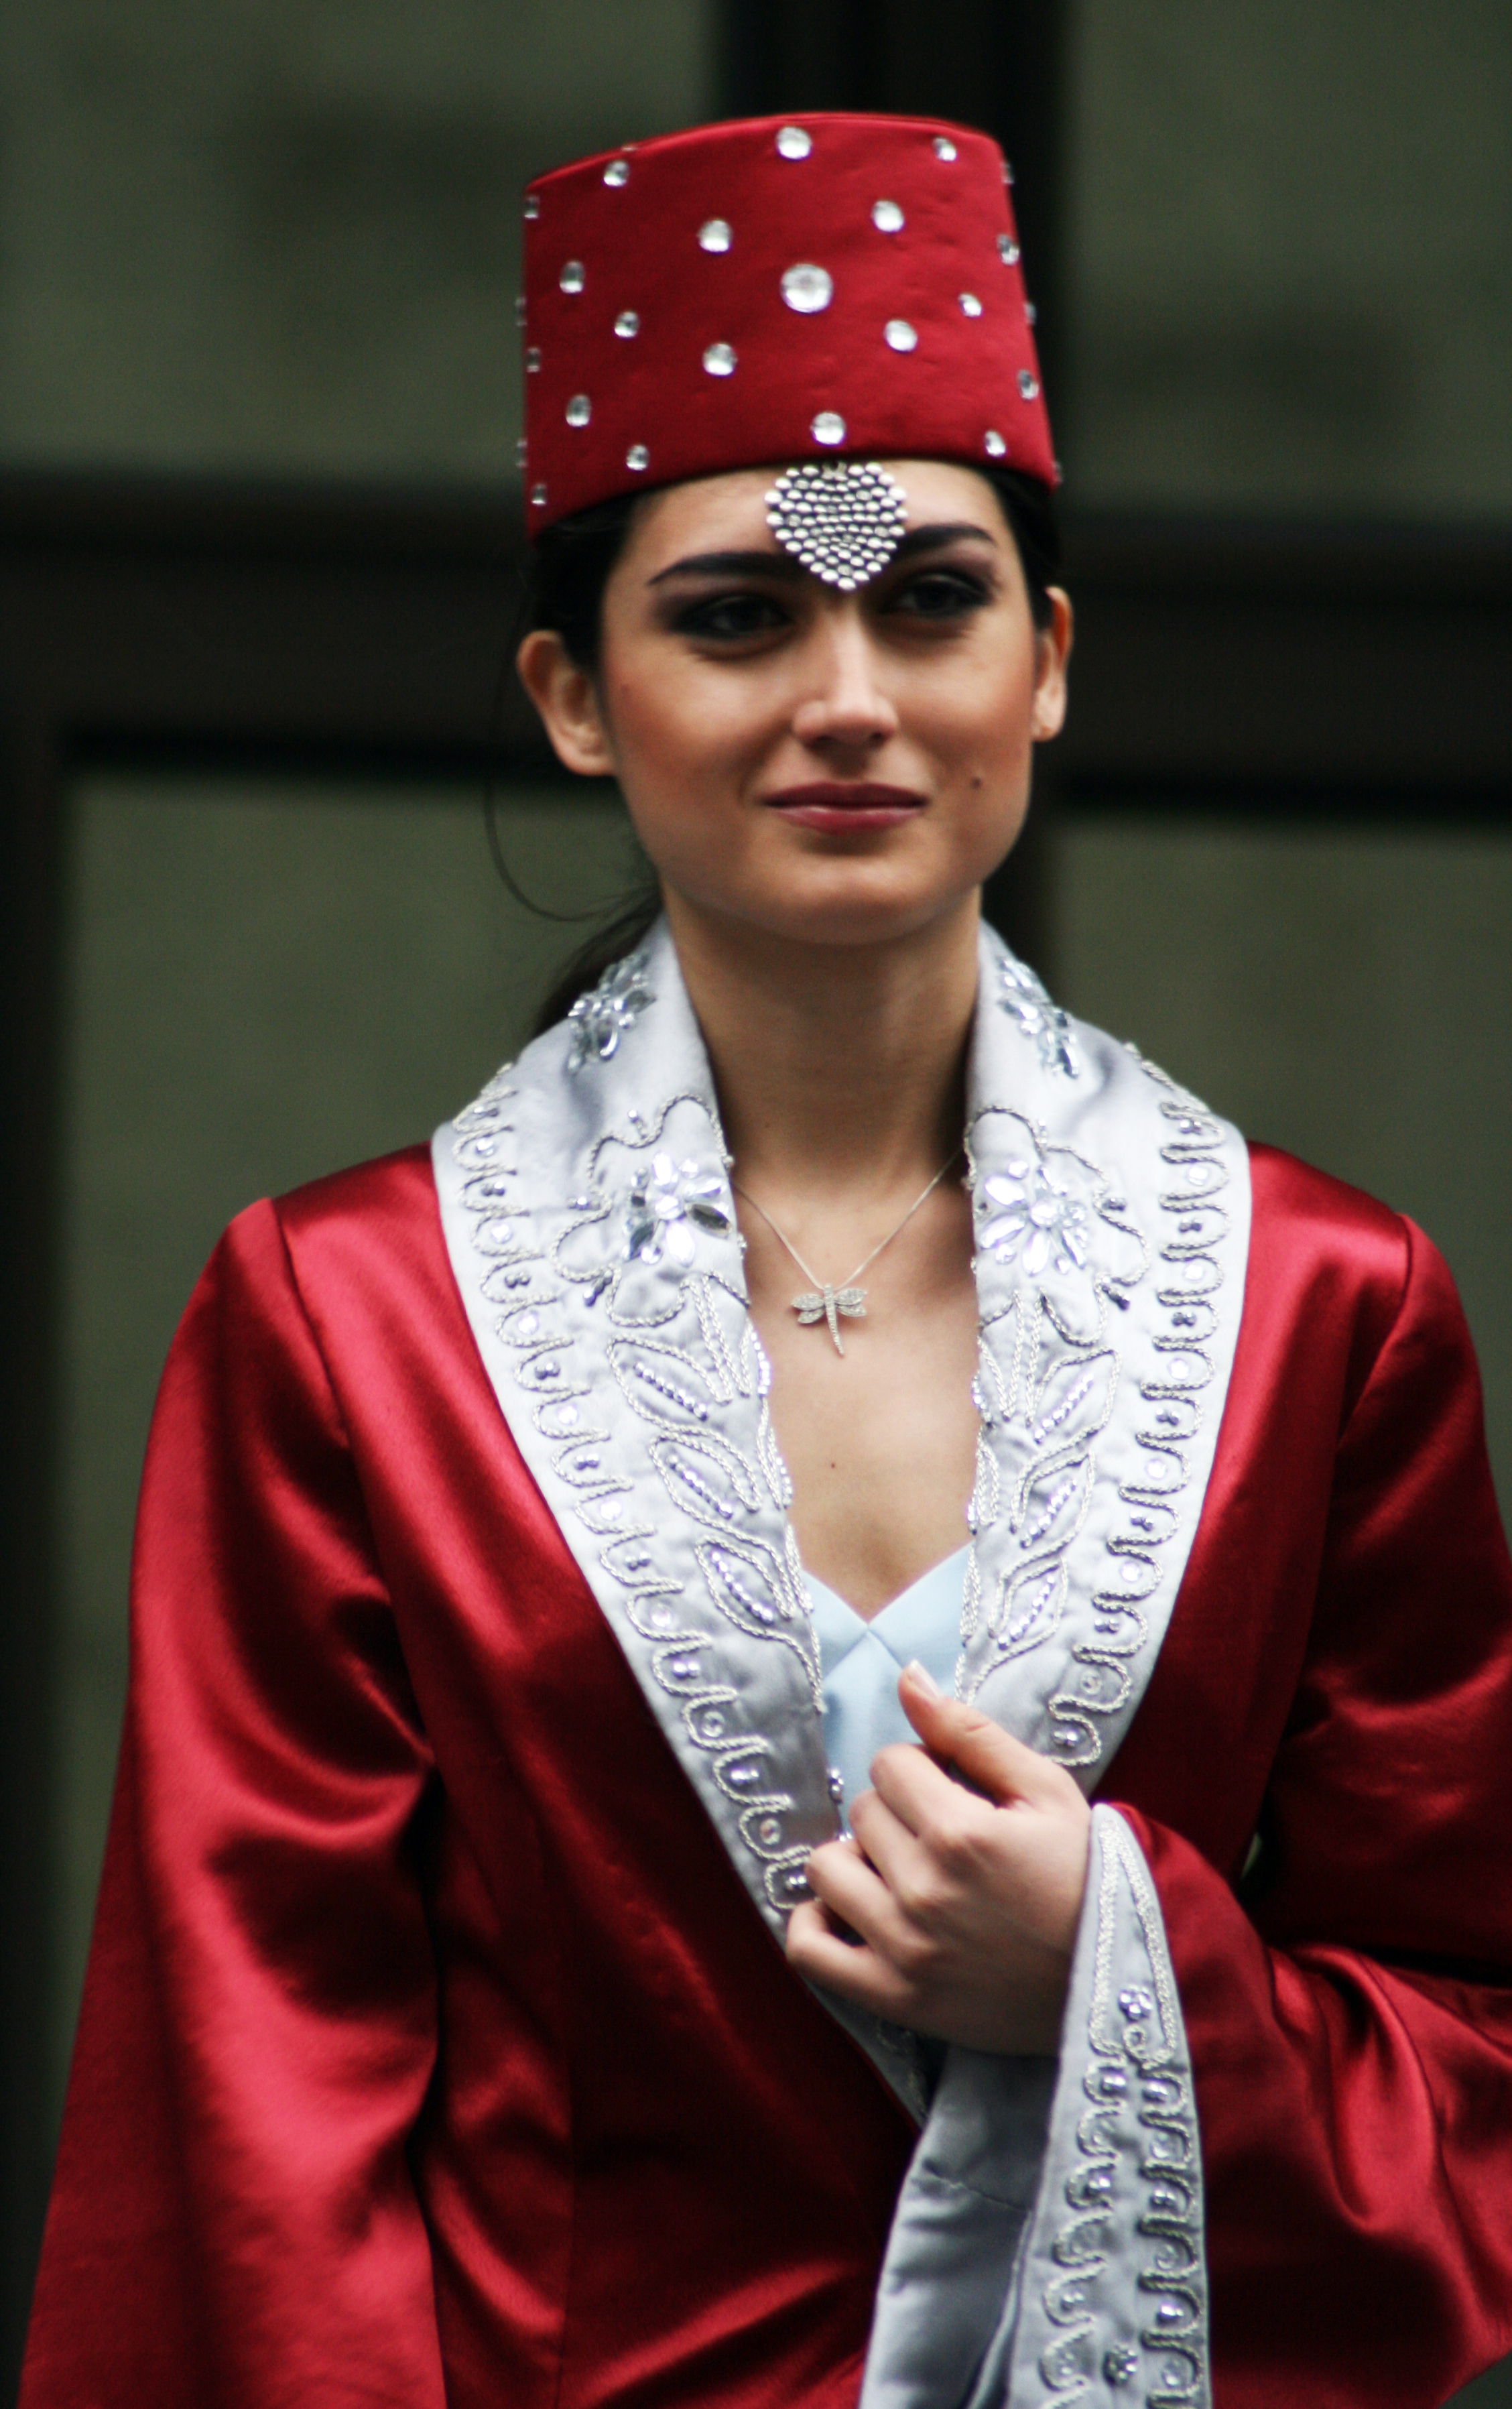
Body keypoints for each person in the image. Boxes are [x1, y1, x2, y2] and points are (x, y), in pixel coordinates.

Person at [19, 112, 1512, 2409]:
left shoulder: (1327, 1309)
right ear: (575, 698)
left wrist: (1117, 1960)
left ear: (1050, 663)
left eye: (931, 598)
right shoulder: (350, 1325)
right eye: (735, 615)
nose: (848, 694)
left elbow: (1469, 2064)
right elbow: (259, 2129)